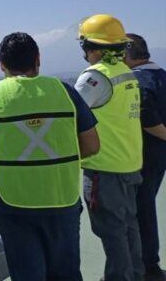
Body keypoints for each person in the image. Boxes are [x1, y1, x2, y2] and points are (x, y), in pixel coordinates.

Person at [0, 32, 99, 281]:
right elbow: (92, 145)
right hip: (62, 198)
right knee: (67, 273)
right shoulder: (65, 91)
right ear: (38, 59)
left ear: (1, 65)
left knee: (27, 274)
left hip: (14, 203)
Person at [74, 14, 144, 281]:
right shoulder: (125, 73)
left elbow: (72, 115)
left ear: (90, 47)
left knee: (112, 231)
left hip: (104, 167)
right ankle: (134, 274)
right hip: (129, 163)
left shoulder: (95, 77)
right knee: (128, 226)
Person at [125, 33, 166, 281]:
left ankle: (147, 265)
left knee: (141, 210)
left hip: (144, 156)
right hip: (159, 156)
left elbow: (149, 120)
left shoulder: (137, 82)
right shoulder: (162, 75)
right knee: (146, 205)